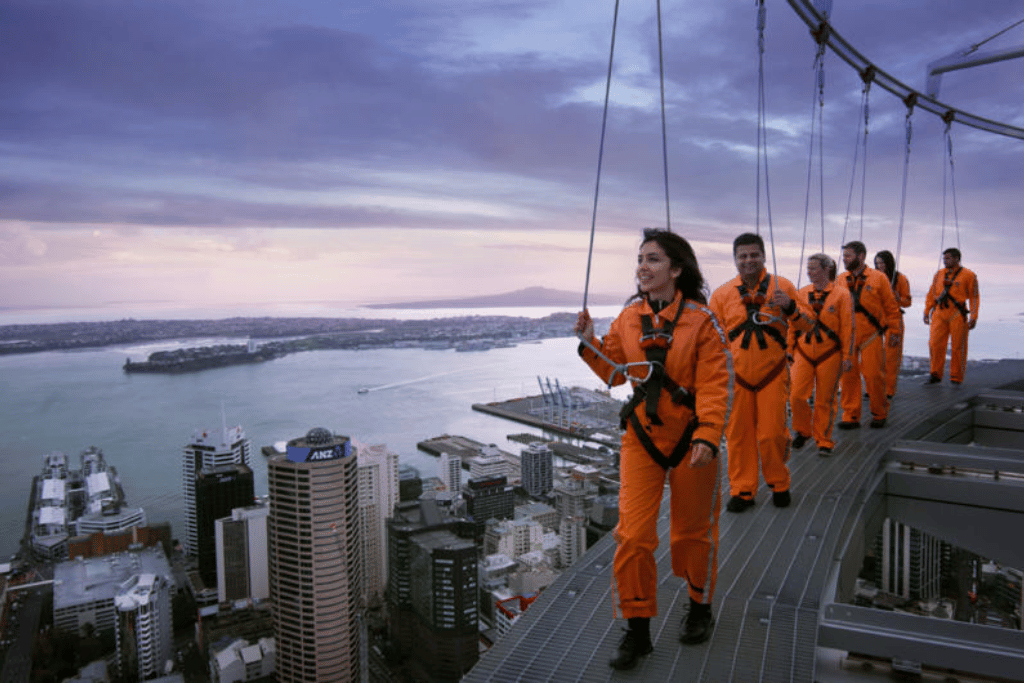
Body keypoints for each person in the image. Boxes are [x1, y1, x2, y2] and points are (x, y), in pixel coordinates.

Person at [575, 229, 730, 669]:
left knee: (690, 535)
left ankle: (699, 606)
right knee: (634, 536)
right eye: (640, 259)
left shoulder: (702, 322)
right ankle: (637, 629)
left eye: (654, 259)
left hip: (690, 440)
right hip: (642, 439)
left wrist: (707, 435)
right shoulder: (627, 319)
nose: (643, 266)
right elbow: (614, 373)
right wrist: (588, 343)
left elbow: (717, 385)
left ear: (676, 269)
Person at [709, 232, 812, 513]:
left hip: (773, 373)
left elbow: (808, 325)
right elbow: (711, 338)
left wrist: (789, 307)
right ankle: (743, 490)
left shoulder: (784, 288)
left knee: (772, 434)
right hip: (737, 379)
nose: (749, 260)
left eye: (754, 254)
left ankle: (779, 483)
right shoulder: (721, 296)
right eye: (743, 256)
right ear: (735, 260)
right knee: (738, 437)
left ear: (764, 256)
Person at [788, 254, 853, 457]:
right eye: (808, 268)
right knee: (796, 395)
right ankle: (803, 431)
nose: (809, 272)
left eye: (814, 268)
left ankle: (823, 439)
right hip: (803, 351)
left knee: (825, 399)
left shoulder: (841, 295)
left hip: (829, 353)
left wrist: (847, 356)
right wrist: (789, 349)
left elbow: (848, 327)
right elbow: (792, 324)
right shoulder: (801, 293)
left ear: (826, 269)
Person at [838, 241, 901, 429]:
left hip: (870, 335)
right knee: (848, 377)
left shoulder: (879, 278)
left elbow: (891, 307)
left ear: (861, 256)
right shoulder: (840, 279)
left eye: (848, 256)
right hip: (847, 337)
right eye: (844, 256)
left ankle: (879, 413)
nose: (844, 259)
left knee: (874, 376)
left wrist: (895, 330)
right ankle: (850, 415)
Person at [923, 247, 979, 385]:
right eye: (944, 258)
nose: (945, 261)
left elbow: (974, 297)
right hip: (939, 313)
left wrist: (974, 316)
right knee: (935, 344)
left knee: (958, 346)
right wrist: (926, 311)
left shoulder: (969, 275)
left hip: (957, 313)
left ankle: (956, 377)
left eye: (948, 258)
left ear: (956, 259)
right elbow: (931, 294)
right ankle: (935, 374)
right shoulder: (939, 275)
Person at [874, 250, 911, 399]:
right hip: (875, 319)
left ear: (889, 263)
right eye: (877, 263)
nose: (879, 266)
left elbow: (908, 302)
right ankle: (873, 388)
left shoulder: (900, 279)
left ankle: (889, 389)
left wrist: (898, 298)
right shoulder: (873, 278)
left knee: (891, 356)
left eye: (882, 263)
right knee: (874, 357)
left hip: (893, 319)